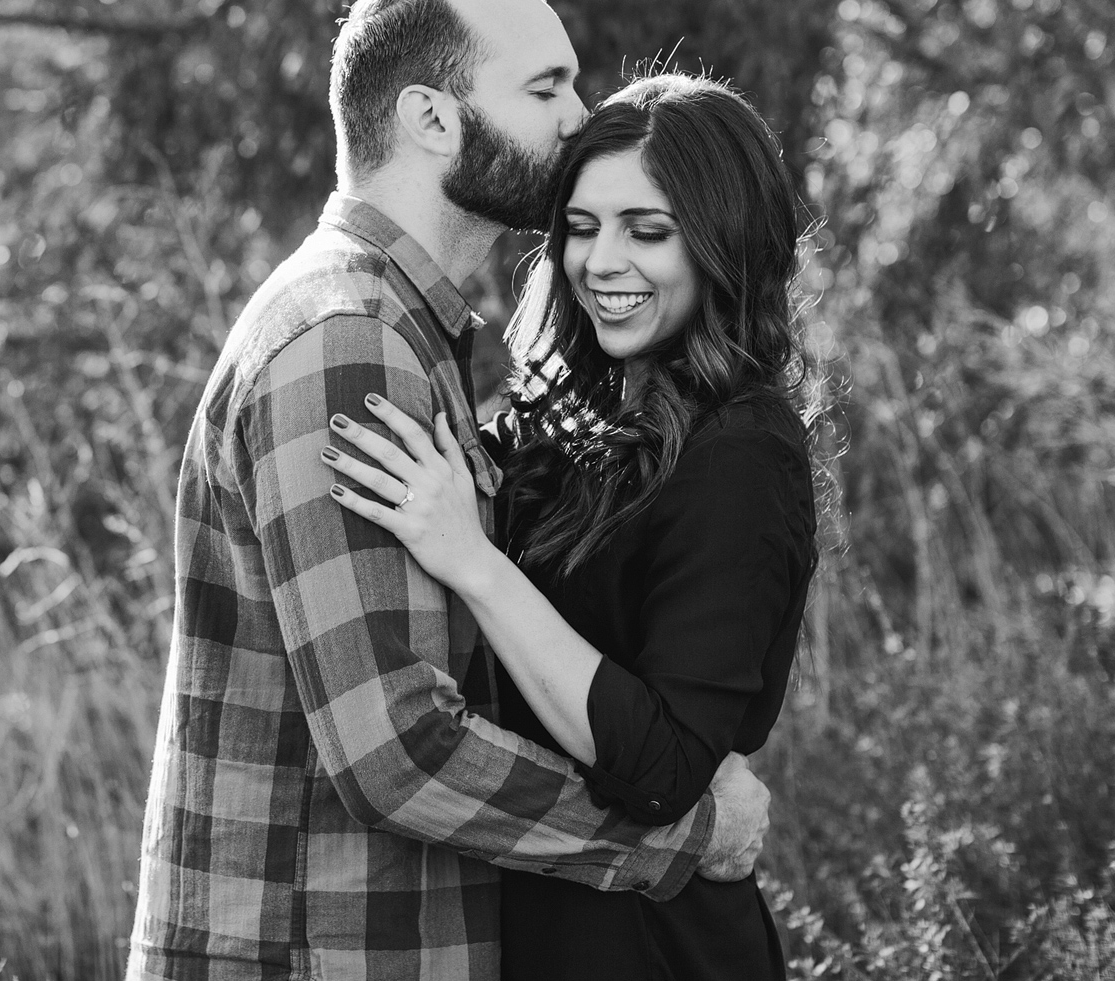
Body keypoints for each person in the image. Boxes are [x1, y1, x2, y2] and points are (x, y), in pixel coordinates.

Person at [125, 0, 774, 981]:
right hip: (313, 950)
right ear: (431, 117)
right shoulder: (347, 339)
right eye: (543, 88)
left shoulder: (404, 333)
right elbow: (398, 749)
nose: (578, 115)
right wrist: (683, 836)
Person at [322, 73, 820, 979]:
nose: (602, 262)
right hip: (528, 918)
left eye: (649, 231)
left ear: (723, 244)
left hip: (649, 946)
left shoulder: (743, 453)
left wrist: (476, 563)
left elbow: (665, 765)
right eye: (583, 228)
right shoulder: (565, 413)